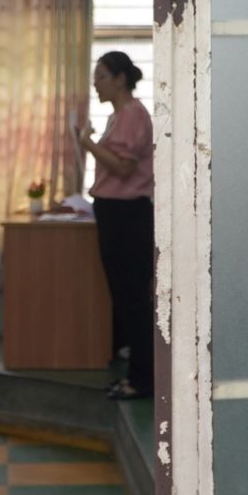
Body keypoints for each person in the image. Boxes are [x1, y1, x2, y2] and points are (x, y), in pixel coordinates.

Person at [76, 51, 155, 401]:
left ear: (120, 79)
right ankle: (136, 375)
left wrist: (87, 143)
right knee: (124, 298)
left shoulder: (133, 114)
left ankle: (143, 380)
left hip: (128, 216)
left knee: (134, 298)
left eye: (101, 76)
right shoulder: (118, 116)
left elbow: (123, 169)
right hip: (113, 212)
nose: (95, 83)